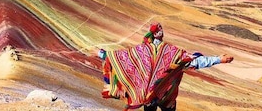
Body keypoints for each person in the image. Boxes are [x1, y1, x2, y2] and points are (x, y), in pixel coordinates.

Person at [99, 22, 233, 111]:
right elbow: (194, 62)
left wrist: (102, 53)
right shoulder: (172, 52)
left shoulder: (140, 51)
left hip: (148, 96)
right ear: (161, 34)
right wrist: (219, 59)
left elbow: (119, 57)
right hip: (166, 94)